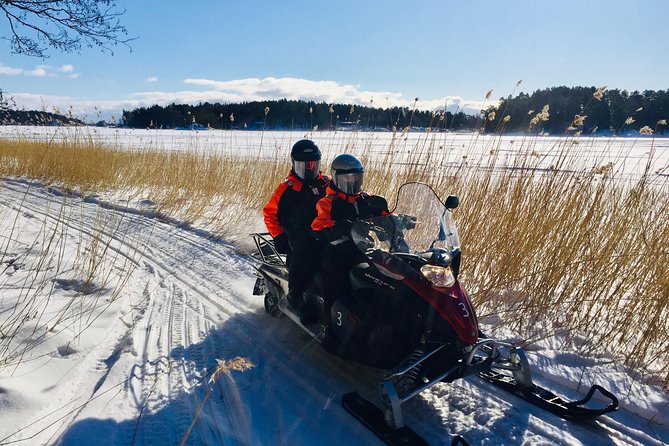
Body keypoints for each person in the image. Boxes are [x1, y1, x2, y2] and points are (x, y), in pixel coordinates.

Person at [311, 154, 390, 323]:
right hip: (337, 252)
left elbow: (384, 215)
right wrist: (338, 227)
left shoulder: (365, 200)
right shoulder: (328, 202)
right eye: (347, 177)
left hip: (364, 249)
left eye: (356, 177)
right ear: (337, 178)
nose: (352, 181)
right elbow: (318, 226)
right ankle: (330, 326)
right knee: (336, 284)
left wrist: (400, 220)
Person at [263, 139, 330, 321]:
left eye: (312, 165)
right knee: (305, 250)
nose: (308, 169)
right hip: (298, 237)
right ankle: (296, 294)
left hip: (326, 233)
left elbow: (350, 195)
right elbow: (269, 214)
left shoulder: (327, 184)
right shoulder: (286, 189)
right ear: (294, 164)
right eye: (303, 165)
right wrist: (279, 236)